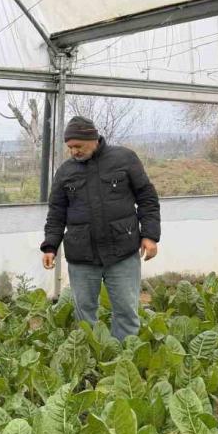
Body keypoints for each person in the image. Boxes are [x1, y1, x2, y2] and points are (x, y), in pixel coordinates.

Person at [41, 116, 160, 341]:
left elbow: (147, 198)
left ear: (93, 138)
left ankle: (124, 356)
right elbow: (56, 212)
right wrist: (50, 246)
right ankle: (92, 357)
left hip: (122, 252)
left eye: (78, 146)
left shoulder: (124, 159)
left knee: (126, 312)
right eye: (70, 147)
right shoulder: (65, 172)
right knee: (84, 315)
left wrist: (150, 235)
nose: (73, 151)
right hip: (82, 255)